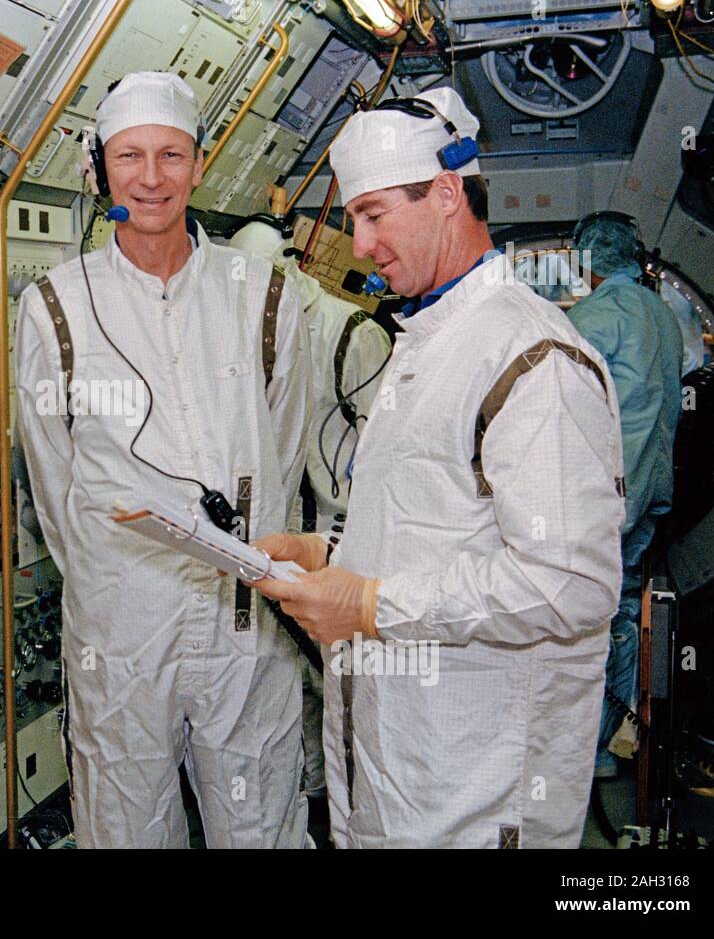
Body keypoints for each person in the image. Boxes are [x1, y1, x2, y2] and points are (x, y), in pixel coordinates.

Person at [248, 87, 625, 848]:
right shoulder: (429, 340)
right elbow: (441, 527)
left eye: (374, 214)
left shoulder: (529, 356)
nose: (357, 245)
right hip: (399, 770)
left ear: (447, 193)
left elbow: (571, 584)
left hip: (476, 795)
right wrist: (330, 557)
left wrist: (370, 604)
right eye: (354, 216)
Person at [16, 71, 312, 847]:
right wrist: (110, 580)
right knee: (126, 822)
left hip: (242, 618)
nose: (151, 179)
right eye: (130, 156)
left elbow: (281, 448)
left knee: (259, 819)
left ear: (200, 165)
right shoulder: (55, 304)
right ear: (98, 167)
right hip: (122, 625)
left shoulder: (266, 295)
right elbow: (55, 480)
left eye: (171, 155)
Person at [227, 214, 390, 815]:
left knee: (342, 682)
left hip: (341, 538)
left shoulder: (353, 334)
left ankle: (352, 802)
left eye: (266, 278)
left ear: (293, 268)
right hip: (288, 537)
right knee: (298, 680)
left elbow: (382, 450)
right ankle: (316, 799)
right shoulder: (257, 334)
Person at [567, 213, 683, 778]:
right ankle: (616, 740)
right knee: (622, 608)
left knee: (585, 620)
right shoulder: (662, 314)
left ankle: (587, 752)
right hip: (652, 484)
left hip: (609, 494)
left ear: (587, 259)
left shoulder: (593, 318)